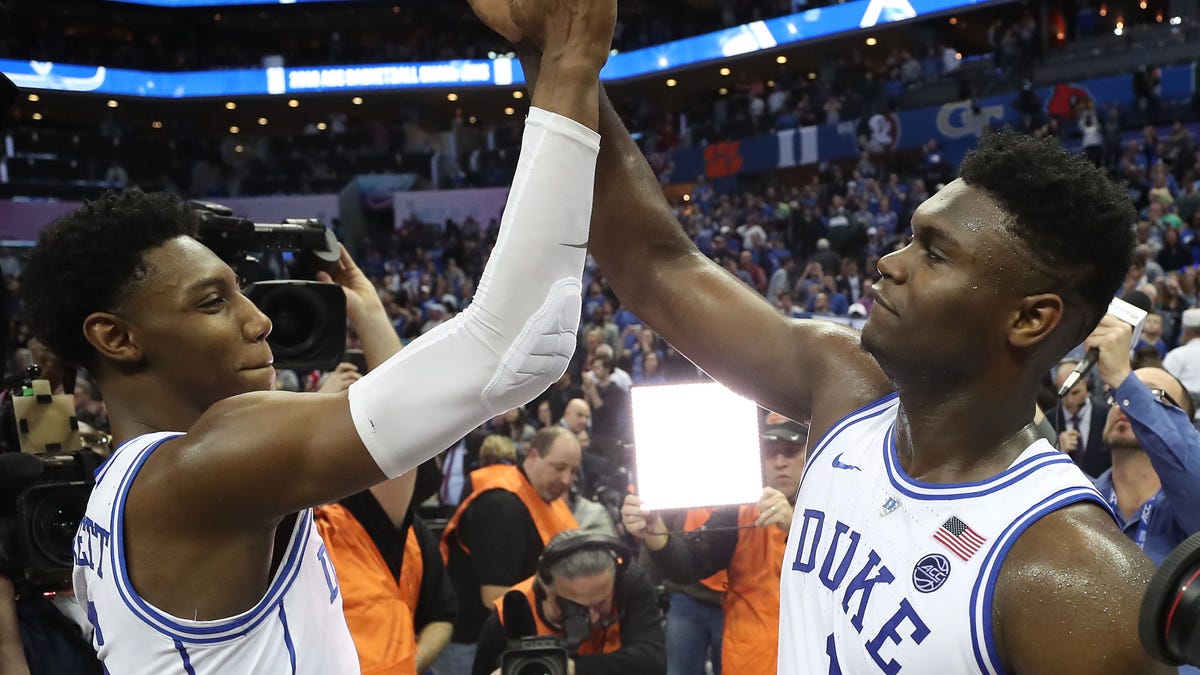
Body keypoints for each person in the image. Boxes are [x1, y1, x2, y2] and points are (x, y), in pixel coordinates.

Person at [465, 7, 1165, 667]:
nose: (889, 262)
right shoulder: (844, 381)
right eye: (910, 237)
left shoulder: (1074, 578)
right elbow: (655, 267)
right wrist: (552, 46)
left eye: (934, 253)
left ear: (1030, 318)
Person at [23, 0, 616, 668]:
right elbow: (519, 346)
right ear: (116, 338)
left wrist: (368, 311)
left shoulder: (115, 491)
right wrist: (570, 60)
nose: (260, 320)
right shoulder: (204, 466)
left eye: (242, 292)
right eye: (212, 302)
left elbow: (403, 459)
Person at [622, 416, 809, 675]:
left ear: (808, 454)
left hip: (811, 660)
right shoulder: (741, 510)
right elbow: (688, 565)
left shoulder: (835, 505)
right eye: (770, 453)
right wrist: (655, 534)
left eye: (790, 451)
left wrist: (797, 528)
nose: (779, 462)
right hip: (749, 663)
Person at [438, 426, 583, 672]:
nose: (567, 480)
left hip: (519, 636)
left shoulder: (545, 499)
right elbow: (495, 597)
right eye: (559, 468)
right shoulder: (501, 506)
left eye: (573, 471)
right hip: (473, 643)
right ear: (533, 456)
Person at [1087, 315, 1200, 566]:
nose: (1124, 403)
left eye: (1152, 395)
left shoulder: (1188, 502)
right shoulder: (1084, 496)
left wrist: (1122, 377)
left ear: (1183, 423)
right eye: (1116, 394)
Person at [471, 531, 666, 675]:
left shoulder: (629, 584)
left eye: (601, 603)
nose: (594, 617)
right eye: (578, 607)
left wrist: (568, 668)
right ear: (546, 587)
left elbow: (652, 662)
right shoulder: (507, 617)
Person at [1048, 358, 1112, 477]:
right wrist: (1057, 450)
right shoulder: (1048, 421)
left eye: (1076, 392)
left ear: (1088, 385)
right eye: (1064, 394)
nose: (1070, 400)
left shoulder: (1108, 415)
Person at [1163, 308, 1200, 403]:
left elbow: (1165, 383)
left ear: (1185, 330)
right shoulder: (1178, 354)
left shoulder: (1178, 354)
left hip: (1185, 407)